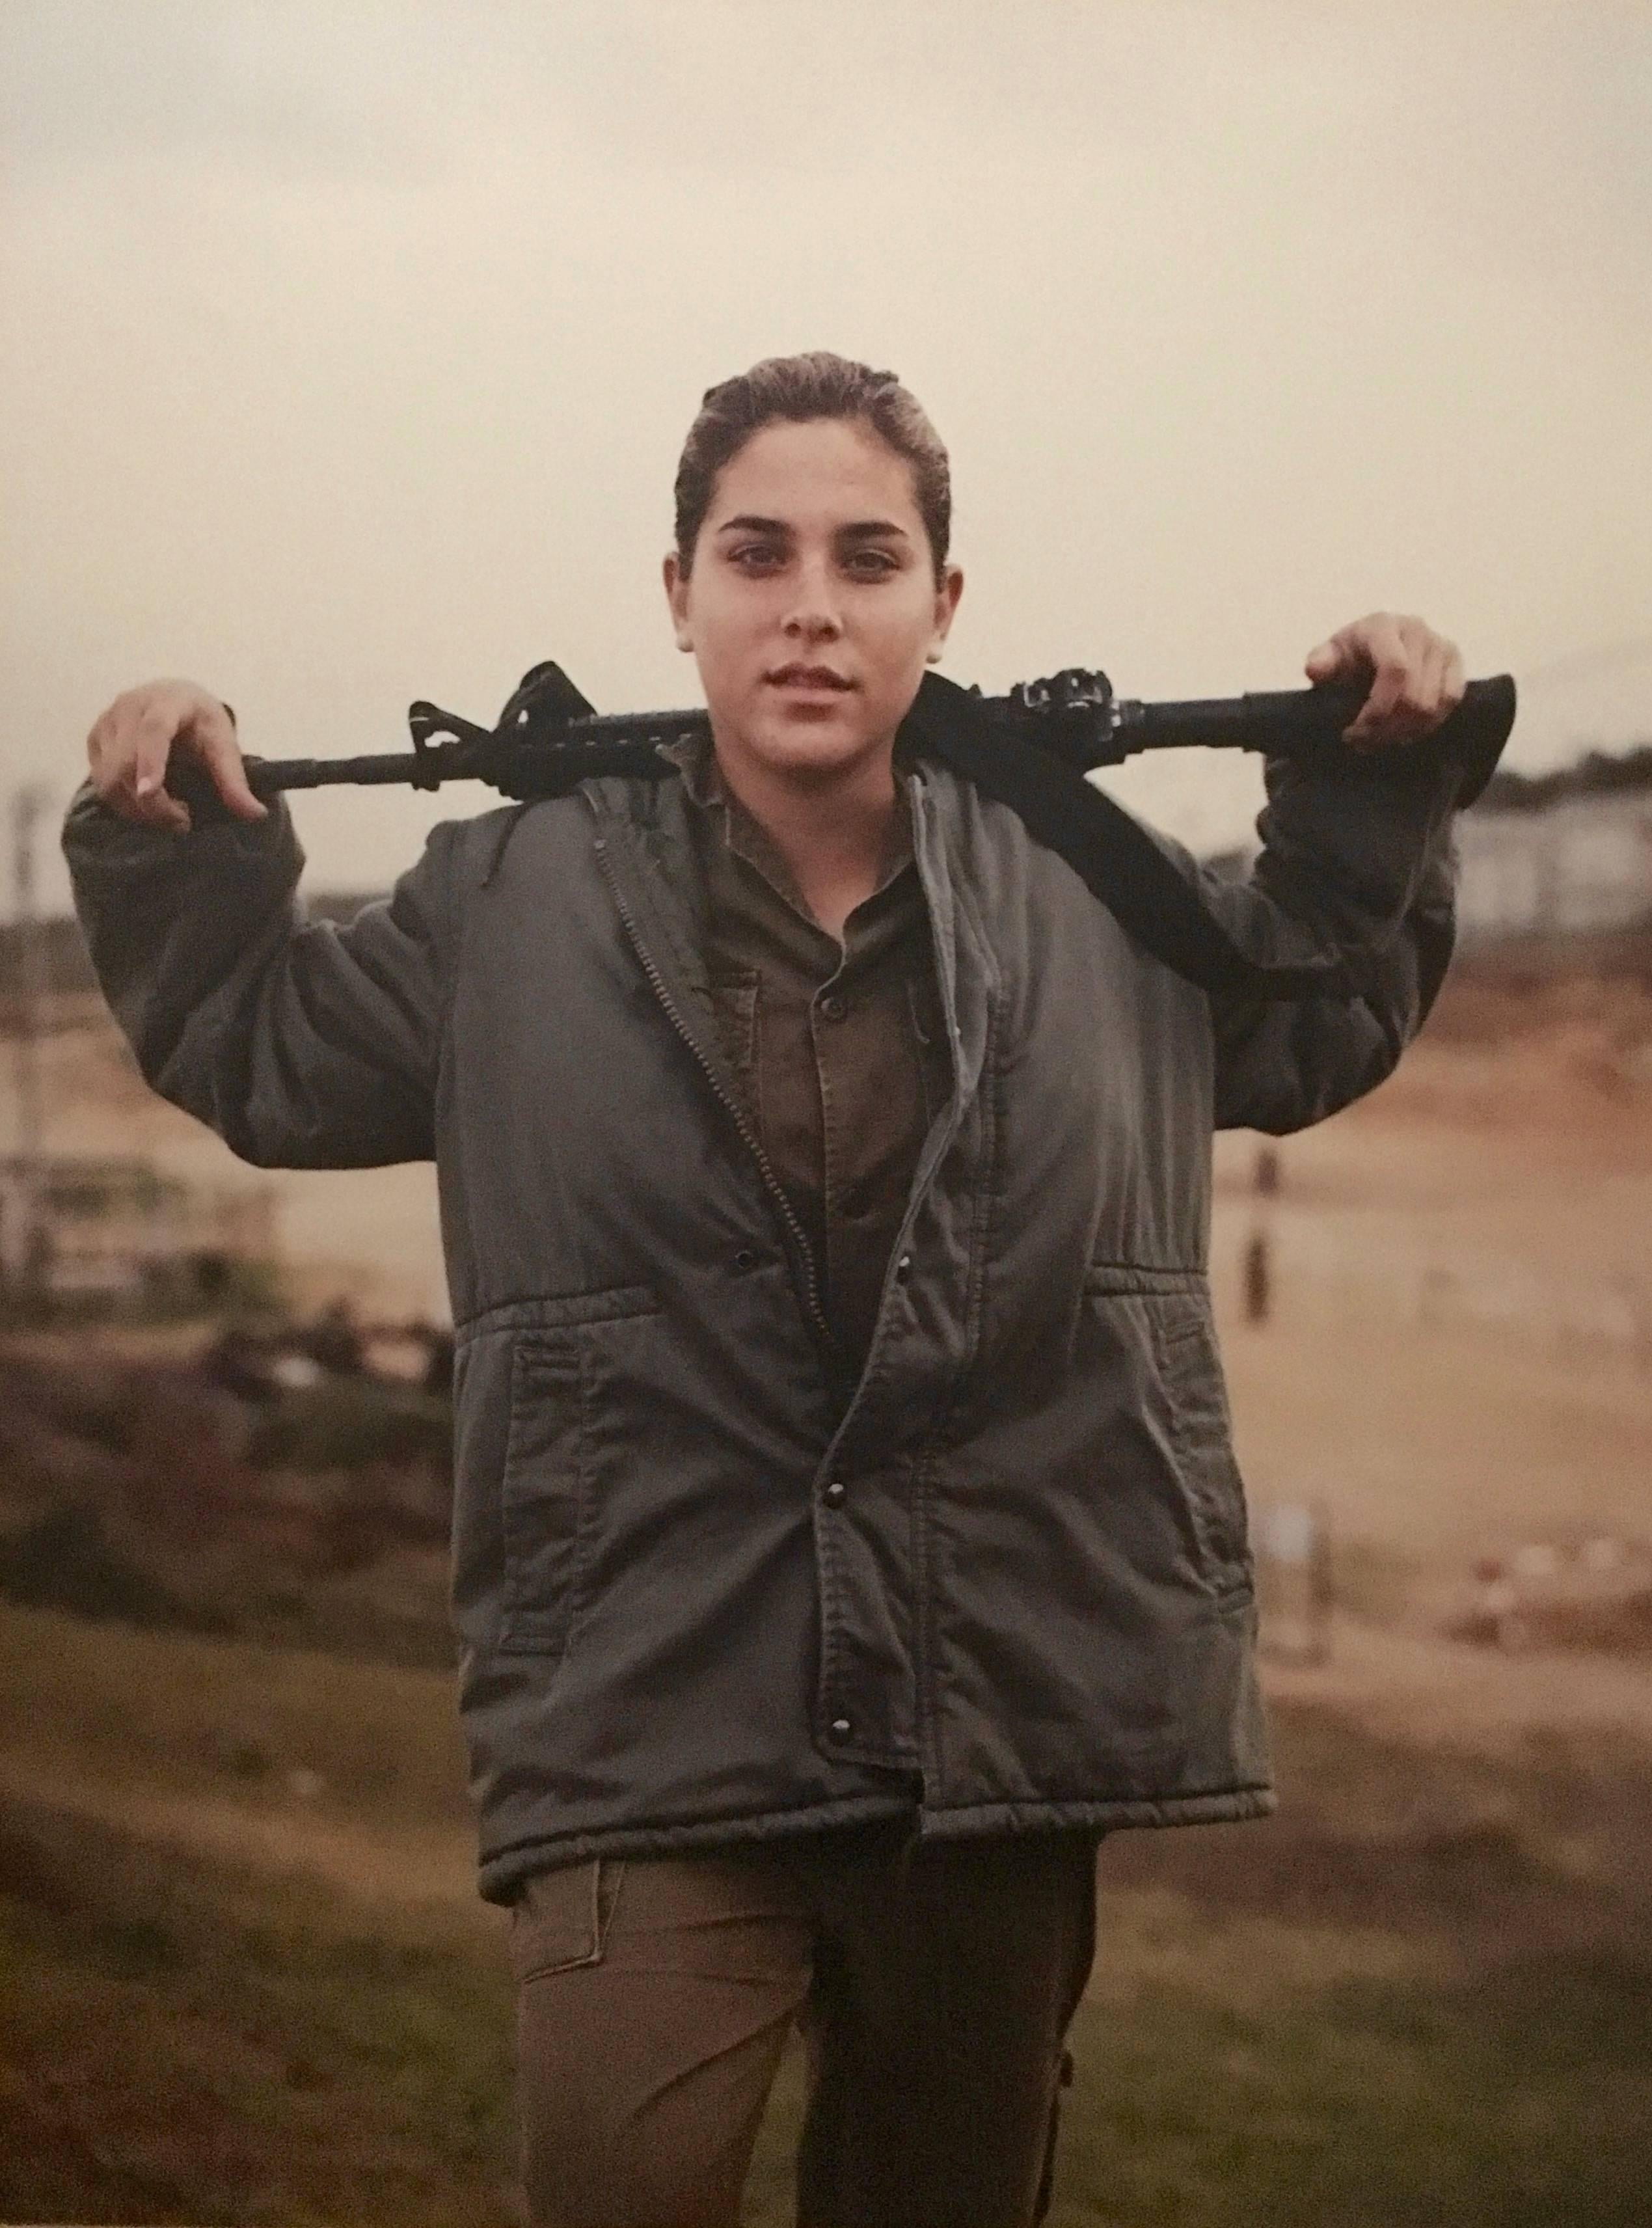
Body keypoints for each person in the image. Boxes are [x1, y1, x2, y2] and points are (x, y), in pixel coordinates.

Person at [66, 351, 1483, 2227]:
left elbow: (1313, 1010)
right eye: (757, 553)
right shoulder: (503, 903)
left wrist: (1370, 783)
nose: (810, 604)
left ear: (942, 604)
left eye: (866, 558)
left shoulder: (1098, 892)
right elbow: (260, 1047)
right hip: (643, 1701)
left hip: (997, 1721)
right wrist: (176, 816)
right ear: (680, 593)